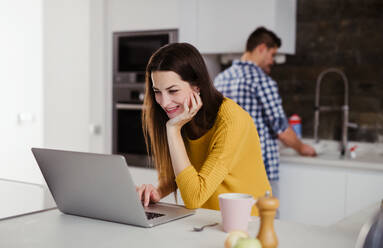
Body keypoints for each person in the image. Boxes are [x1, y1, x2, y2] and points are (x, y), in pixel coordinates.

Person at [136, 42, 271, 216]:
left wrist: (173, 130)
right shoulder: (181, 116)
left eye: (173, 90)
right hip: (207, 219)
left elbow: (194, 197)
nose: (164, 102)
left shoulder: (231, 120)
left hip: (248, 221)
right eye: (157, 91)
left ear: (197, 86)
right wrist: (158, 191)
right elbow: (180, 175)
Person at [214, 27, 316, 200]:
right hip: (260, 170)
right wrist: (302, 147)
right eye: (272, 54)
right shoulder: (262, 81)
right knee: (266, 221)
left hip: (229, 170)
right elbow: (282, 130)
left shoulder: (220, 79)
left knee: (236, 223)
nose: (272, 61)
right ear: (262, 48)